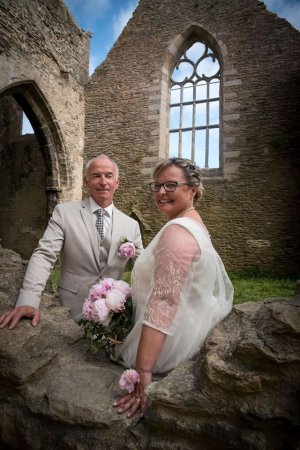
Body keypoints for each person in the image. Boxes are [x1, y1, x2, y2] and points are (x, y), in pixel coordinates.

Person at [113, 157, 233, 418]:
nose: (161, 192)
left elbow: (165, 300)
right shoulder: (194, 223)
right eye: (156, 186)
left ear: (192, 189)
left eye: (170, 185)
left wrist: (143, 374)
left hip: (170, 343)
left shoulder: (178, 233)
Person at [0, 154, 143, 329]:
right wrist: (28, 299)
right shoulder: (64, 213)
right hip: (69, 311)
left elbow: (143, 269)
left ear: (117, 182)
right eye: (96, 175)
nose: (103, 181)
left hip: (115, 316)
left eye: (108, 175)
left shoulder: (132, 225)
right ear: (86, 181)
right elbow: (45, 255)